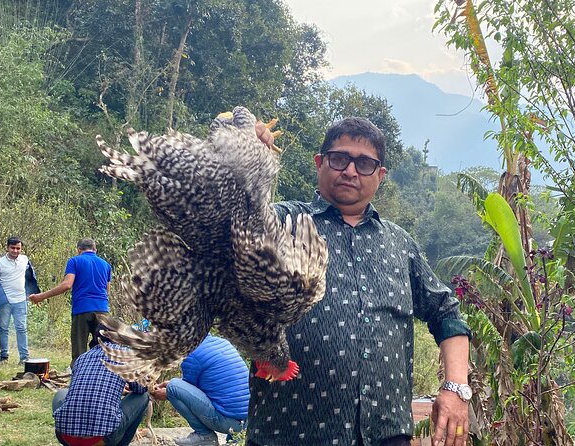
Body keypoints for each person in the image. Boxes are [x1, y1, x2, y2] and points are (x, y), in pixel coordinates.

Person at [246, 117, 472, 446]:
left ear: (379, 175)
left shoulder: (400, 244)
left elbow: (446, 313)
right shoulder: (282, 224)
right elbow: (224, 224)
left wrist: (455, 388)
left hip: (386, 437)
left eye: (365, 164)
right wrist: (240, 147)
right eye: (340, 159)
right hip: (287, 435)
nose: (351, 171)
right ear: (320, 163)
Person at [51, 328, 149, 446]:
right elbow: (141, 389)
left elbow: (75, 390)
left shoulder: (82, 357)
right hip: (102, 440)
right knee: (144, 396)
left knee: (62, 393)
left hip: (66, 436)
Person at [151, 334, 250, 446]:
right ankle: (233, 439)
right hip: (247, 421)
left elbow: (182, 389)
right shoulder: (222, 343)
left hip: (227, 422)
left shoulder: (192, 354)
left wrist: (168, 392)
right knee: (173, 386)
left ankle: (204, 435)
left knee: (173, 386)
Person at [29, 238, 112, 365]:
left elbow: (67, 285)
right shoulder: (106, 265)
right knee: (103, 348)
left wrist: (41, 296)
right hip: (102, 310)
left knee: (79, 350)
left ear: (79, 250)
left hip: (82, 309)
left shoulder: (74, 261)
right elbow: (107, 291)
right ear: (95, 249)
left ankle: (78, 378)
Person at [0, 236, 40, 364]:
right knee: (3, 328)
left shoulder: (25, 260)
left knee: (21, 328)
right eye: (12, 248)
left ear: (21, 248)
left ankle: (24, 357)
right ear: (7, 248)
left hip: (21, 300)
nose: (15, 251)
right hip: (4, 301)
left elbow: (31, 278)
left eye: (18, 248)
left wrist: (35, 295)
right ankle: (4, 357)